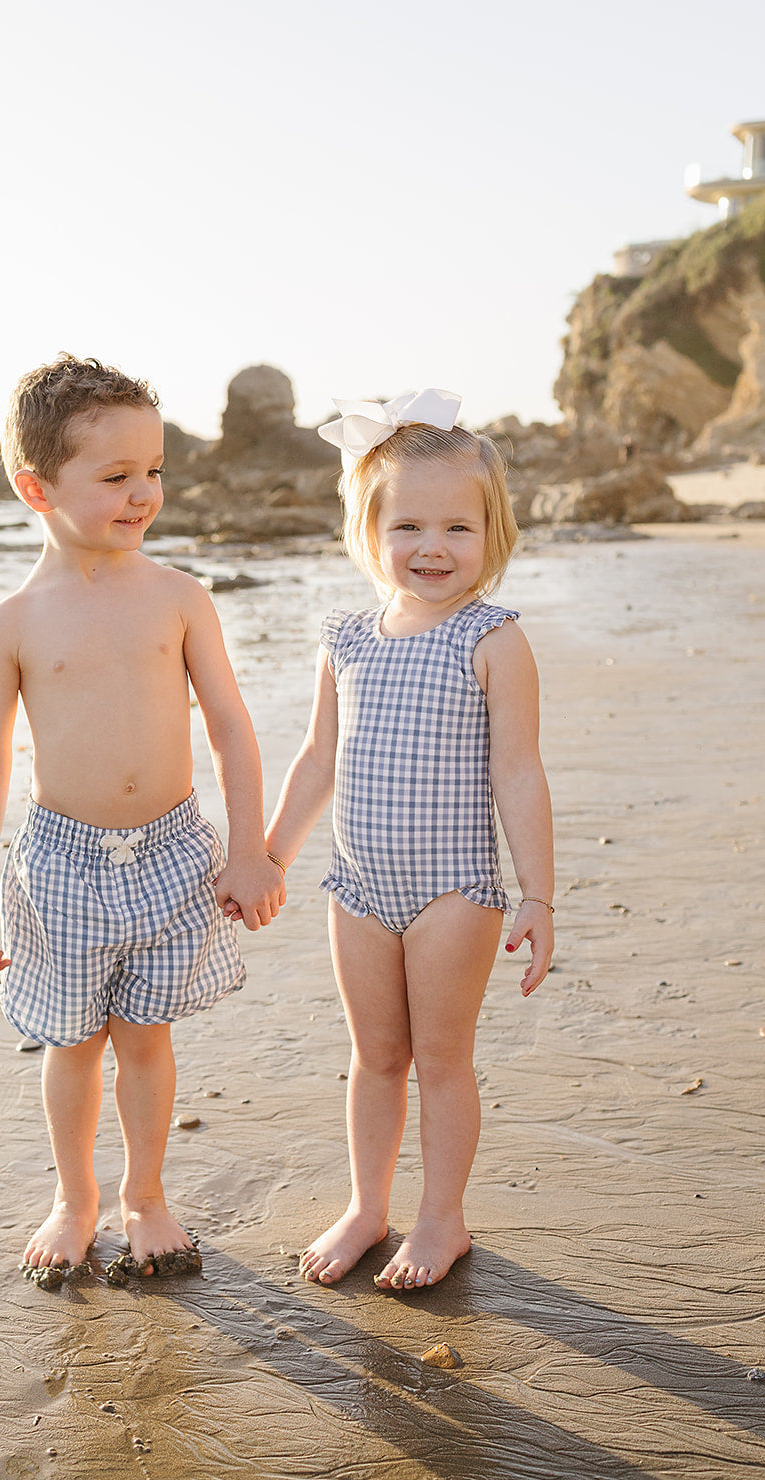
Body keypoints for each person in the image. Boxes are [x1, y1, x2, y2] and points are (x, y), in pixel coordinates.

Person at [0, 354, 284, 1279]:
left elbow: (229, 728)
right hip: (60, 863)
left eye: (154, 471)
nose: (144, 493)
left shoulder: (178, 598)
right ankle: (76, 1198)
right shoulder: (14, 621)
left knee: (145, 1038)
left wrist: (250, 850)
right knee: (72, 1042)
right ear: (35, 487)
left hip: (175, 852)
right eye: (115, 477)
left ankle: (146, 1196)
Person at [265, 390, 554, 1290]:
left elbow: (518, 773)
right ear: (370, 530)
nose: (434, 547)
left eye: (458, 528)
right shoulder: (345, 637)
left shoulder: (491, 638)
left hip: (453, 890)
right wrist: (268, 856)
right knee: (374, 1057)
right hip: (356, 887)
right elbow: (317, 759)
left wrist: (537, 894)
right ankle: (366, 1205)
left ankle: (442, 1218)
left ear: (491, 532)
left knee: (439, 1059)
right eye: (411, 527)